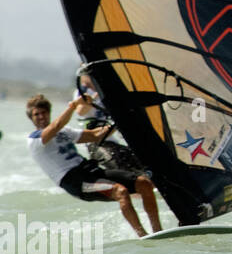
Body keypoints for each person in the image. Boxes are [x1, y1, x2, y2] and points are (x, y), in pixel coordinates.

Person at [25, 93, 162, 237]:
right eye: (36, 114)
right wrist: (74, 105)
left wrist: (120, 118)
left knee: (144, 183)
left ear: (49, 113)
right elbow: (57, 125)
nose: (41, 116)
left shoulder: (64, 132)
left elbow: (95, 135)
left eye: (44, 112)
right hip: (76, 182)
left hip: (91, 172)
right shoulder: (35, 140)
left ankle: (158, 231)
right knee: (120, 192)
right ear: (32, 118)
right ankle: (143, 236)